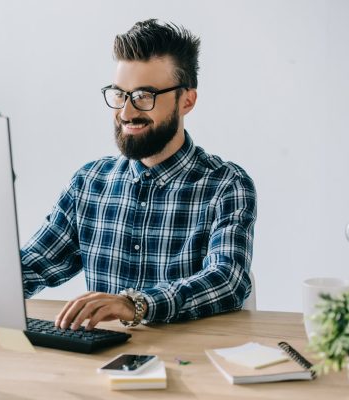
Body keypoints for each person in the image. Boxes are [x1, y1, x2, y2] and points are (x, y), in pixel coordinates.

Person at [20, 19, 257, 331]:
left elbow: (228, 279)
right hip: (102, 365)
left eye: (145, 95)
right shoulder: (89, 183)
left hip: (192, 365)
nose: (126, 112)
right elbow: (34, 264)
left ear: (186, 101)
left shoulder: (226, 185)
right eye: (120, 94)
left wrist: (136, 305)